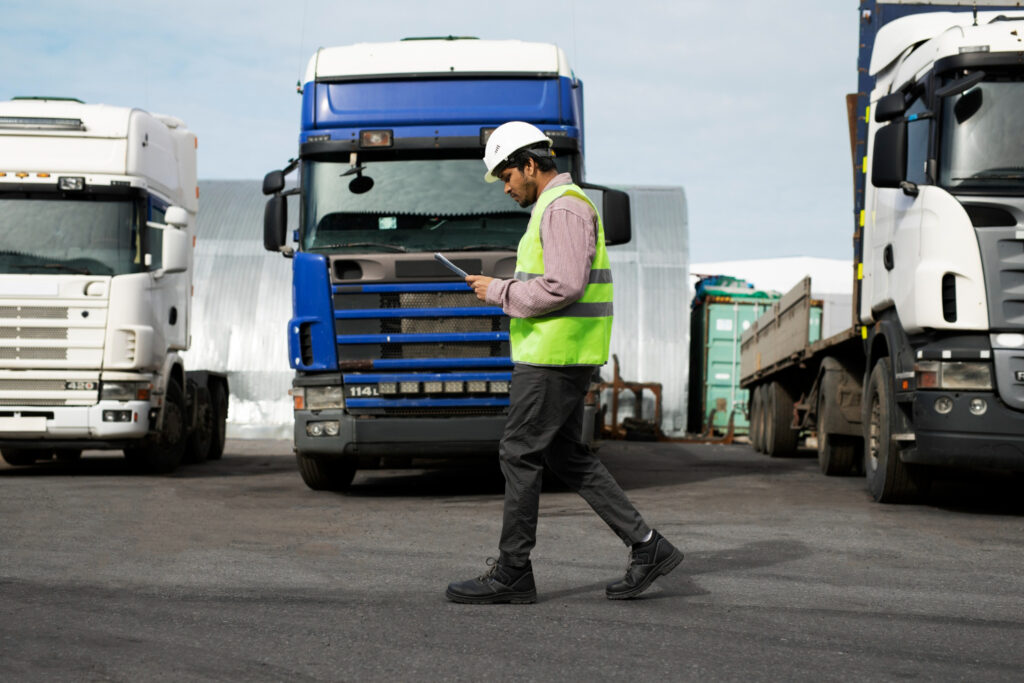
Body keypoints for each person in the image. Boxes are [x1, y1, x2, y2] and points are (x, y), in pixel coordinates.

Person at [445, 121, 682, 604]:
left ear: (530, 165)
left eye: (507, 175)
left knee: (518, 453)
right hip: (560, 353)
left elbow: (565, 285)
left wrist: (500, 291)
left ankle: (513, 571)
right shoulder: (558, 208)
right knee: (564, 455)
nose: (505, 186)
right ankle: (647, 545)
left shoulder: (564, 208)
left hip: (555, 358)